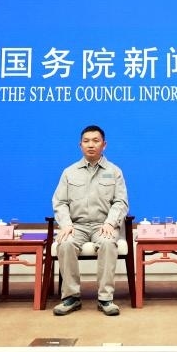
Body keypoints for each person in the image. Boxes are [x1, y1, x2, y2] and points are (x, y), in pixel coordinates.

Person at [52, 125, 129, 316]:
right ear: (80, 145)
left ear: (104, 145)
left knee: (108, 243)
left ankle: (105, 298)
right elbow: (59, 202)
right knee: (65, 243)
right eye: (86, 141)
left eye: (96, 141)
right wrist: (66, 224)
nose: (91, 145)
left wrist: (110, 223)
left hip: (103, 225)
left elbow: (120, 202)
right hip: (76, 226)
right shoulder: (69, 172)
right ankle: (71, 297)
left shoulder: (114, 171)